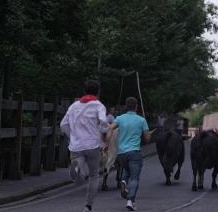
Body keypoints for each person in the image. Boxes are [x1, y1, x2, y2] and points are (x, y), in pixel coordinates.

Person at [60, 80, 108, 212]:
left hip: (76, 145)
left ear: (84, 91)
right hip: (93, 145)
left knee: (79, 173)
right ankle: (88, 206)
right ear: (97, 92)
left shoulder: (74, 106)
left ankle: (77, 170)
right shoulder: (99, 105)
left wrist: (72, 136)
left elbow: (63, 125)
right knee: (94, 176)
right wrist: (104, 135)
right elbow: (104, 122)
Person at [107, 97, 152, 211]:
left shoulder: (119, 118)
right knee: (135, 178)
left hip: (121, 153)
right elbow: (147, 138)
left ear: (126, 106)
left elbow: (110, 128)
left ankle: (123, 181)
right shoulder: (141, 120)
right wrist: (148, 134)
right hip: (135, 152)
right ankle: (131, 200)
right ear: (136, 106)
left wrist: (107, 141)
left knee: (127, 170)